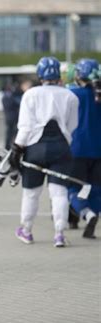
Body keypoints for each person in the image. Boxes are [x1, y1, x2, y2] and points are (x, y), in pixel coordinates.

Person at [8, 56, 79, 248]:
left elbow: (25, 126)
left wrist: (16, 149)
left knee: (31, 192)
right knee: (59, 192)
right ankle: (59, 234)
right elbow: (72, 126)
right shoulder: (70, 96)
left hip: (35, 149)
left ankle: (27, 230)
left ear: (39, 74)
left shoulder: (31, 94)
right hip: (61, 148)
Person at [68, 58, 101, 238]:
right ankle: (94, 219)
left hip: (77, 149)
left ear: (79, 75)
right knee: (96, 189)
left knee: (73, 188)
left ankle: (87, 214)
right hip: (99, 150)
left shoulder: (72, 94)